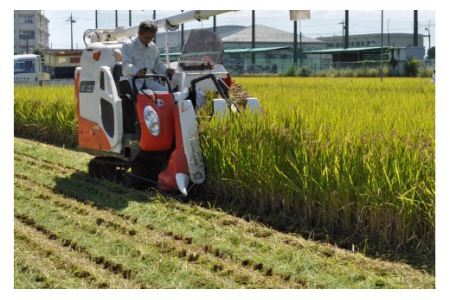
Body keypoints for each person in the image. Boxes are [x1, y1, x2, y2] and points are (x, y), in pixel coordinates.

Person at [121, 21, 174, 91]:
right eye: (146, 37)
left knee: (167, 91)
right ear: (139, 33)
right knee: (141, 98)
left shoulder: (153, 47)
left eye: (151, 37)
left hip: (149, 81)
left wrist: (166, 70)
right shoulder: (128, 45)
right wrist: (137, 71)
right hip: (133, 81)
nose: (148, 40)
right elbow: (126, 65)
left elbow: (158, 64)